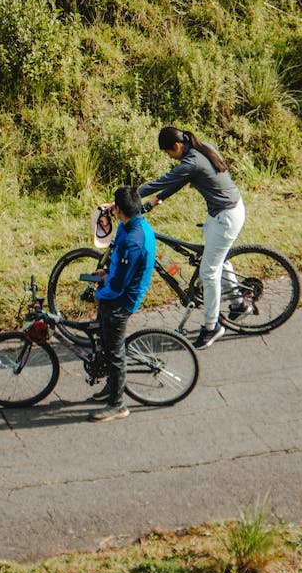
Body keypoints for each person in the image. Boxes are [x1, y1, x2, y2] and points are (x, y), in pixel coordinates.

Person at [138, 126, 245, 349]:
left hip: (225, 217)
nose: (169, 156)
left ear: (176, 147)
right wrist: (158, 200)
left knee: (209, 271)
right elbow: (180, 180)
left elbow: (164, 180)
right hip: (228, 210)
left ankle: (211, 326)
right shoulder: (201, 148)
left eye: (168, 152)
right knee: (217, 259)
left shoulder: (192, 161)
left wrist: (127, 197)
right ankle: (239, 305)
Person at [88, 185, 156, 423]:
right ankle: (111, 386)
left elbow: (117, 287)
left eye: (114, 206)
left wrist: (100, 293)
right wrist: (106, 271)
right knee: (105, 343)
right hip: (120, 285)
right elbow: (118, 271)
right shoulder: (132, 223)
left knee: (115, 353)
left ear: (119, 209)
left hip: (121, 300)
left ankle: (117, 405)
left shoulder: (133, 241)